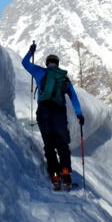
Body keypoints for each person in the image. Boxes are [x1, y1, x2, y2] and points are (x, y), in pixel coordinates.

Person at [22, 42, 84, 190]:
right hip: (59, 113)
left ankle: (55, 175)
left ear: (47, 63)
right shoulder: (64, 78)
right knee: (62, 145)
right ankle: (66, 172)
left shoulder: (40, 72)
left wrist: (31, 52)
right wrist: (79, 114)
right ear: (57, 64)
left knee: (49, 146)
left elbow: (24, 63)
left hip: (44, 112)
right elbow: (74, 98)